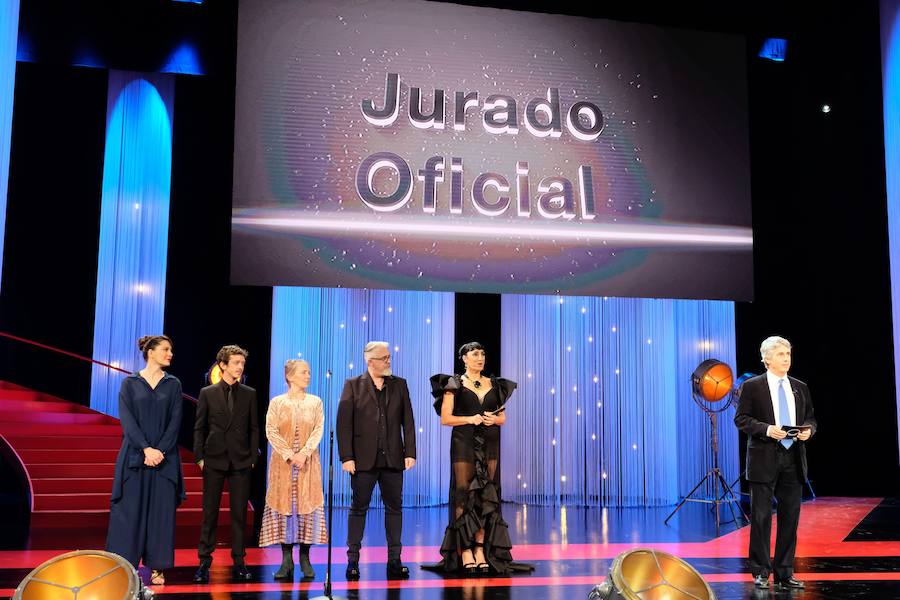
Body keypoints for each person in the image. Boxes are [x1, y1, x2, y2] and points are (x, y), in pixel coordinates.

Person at [424, 342, 533, 576]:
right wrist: (470, 419)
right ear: (464, 358)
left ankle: (481, 549)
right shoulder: (453, 384)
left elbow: (502, 417)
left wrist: (493, 420)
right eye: (474, 354)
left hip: (490, 444)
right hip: (464, 444)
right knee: (464, 494)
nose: (480, 358)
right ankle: (465, 550)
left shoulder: (495, 384)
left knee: (486, 496)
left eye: (482, 353)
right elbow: (445, 418)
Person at [735, 336, 817, 590]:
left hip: (793, 457)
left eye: (789, 354)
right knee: (760, 517)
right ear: (767, 358)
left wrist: (808, 432)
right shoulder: (752, 386)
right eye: (781, 354)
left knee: (790, 517)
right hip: (764, 457)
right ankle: (760, 570)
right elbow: (742, 419)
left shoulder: (800, 386)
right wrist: (767, 429)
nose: (786, 359)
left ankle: (785, 572)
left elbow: (812, 419)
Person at [106, 335, 185, 586]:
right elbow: (127, 421)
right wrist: (146, 449)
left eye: (171, 350)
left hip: (165, 458)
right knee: (129, 514)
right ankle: (124, 566)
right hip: (134, 457)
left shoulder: (173, 384)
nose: (170, 353)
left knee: (160, 514)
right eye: (165, 349)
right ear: (150, 352)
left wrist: (159, 450)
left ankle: (157, 567)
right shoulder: (130, 383)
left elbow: (175, 421)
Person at [337, 341, 417, 581]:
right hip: (362, 460)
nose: (389, 361)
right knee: (358, 508)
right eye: (384, 358)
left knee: (395, 508)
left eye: (389, 357)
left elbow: (408, 421)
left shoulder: (399, 384)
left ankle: (395, 560)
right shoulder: (353, 385)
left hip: (393, 458)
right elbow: (344, 424)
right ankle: (353, 561)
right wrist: (347, 457)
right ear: (370, 361)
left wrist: (410, 452)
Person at [192, 345, 259, 583]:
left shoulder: (249, 393)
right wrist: (199, 458)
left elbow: (254, 428)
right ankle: (203, 562)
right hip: (214, 460)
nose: (240, 367)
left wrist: (252, 458)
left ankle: (239, 561)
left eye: (242, 363)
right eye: (236, 363)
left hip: (241, 461)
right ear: (223, 365)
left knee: (239, 514)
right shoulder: (207, 393)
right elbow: (199, 427)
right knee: (209, 514)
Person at [259, 359, 327, 580]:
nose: (308, 376)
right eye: (303, 372)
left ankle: (305, 558)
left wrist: (304, 453)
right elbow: (271, 430)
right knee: (285, 506)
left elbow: (318, 429)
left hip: (308, 464)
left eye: (309, 372)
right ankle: (286, 559)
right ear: (290, 376)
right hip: (283, 465)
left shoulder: (315, 402)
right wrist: (289, 454)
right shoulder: (277, 402)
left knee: (306, 507)